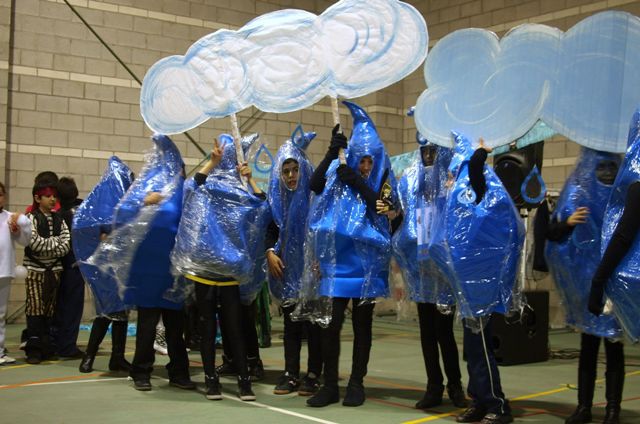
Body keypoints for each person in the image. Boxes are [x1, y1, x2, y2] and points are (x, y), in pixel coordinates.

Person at [304, 101, 395, 408]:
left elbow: (385, 208)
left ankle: (356, 383)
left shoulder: (383, 178)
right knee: (330, 326)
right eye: (362, 160)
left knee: (362, 326)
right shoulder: (339, 169)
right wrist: (331, 153)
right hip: (337, 262)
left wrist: (356, 181)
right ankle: (330, 384)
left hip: (368, 265)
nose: (366, 166)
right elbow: (314, 184)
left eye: (370, 161)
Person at [172, 134, 270, 401]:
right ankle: (213, 380)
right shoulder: (208, 186)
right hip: (209, 270)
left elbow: (263, 209)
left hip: (226, 271)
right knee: (210, 329)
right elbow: (188, 190)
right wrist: (212, 164)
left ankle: (241, 379)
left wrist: (249, 179)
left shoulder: (237, 189)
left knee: (231, 328)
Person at [543, 148, 624, 424]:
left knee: (614, 347)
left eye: (610, 168)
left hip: (613, 283)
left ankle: (613, 410)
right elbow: (552, 235)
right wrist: (567, 223)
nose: (606, 174)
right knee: (588, 347)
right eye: (601, 168)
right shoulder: (577, 193)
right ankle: (584, 407)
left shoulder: (624, 195)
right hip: (587, 287)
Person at [448, 137, 517, 424]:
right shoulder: (462, 198)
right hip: (468, 284)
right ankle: (478, 400)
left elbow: (476, 175)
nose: (450, 179)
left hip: (480, 285)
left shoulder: (476, 188)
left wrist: (478, 154)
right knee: (473, 349)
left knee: (481, 349)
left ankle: (497, 404)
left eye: (453, 173)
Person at [392, 144, 466, 409]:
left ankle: (455, 386)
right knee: (427, 333)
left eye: (432, 151)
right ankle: (434, 386)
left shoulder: (450, 181)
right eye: (424, 151)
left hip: (443, 273)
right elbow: (400, 219)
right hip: (420, 272)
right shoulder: (411, 182)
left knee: (444, 332)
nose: (428, 156)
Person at [265, 129, 322, 396]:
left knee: (314, 325)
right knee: (291, 325)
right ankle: (290, 373)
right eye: (285, 170)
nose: (290, 176)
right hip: (287, 271)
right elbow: (270, 228)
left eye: (295, 169)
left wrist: (321, 259)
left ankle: (313, 374)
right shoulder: (278, 201)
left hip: (312, 271)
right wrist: (270, 252)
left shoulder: (315, 199)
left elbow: (323, 231)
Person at [23, 179, 71, 364]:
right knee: (35, 307)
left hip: (55, 270)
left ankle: (46, 345)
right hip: (35, 271)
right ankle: (34, 349)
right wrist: (55, 243)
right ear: (37, 198)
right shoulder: (31, 218)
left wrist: (50, 245)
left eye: (54, 196)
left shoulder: (59, 219)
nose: (52, 199)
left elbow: (66, 245)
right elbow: (34, 243)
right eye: (48, 196)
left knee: (49, 309)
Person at [50, 177, 84, 358]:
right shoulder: (78, 212)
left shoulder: (57, 214)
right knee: (71, 308)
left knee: (60, 306)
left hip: (59, 265)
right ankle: (67, 346)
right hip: (73, 265)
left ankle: (57, 342)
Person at [0, 182, 31, 364]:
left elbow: (25, 241)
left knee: (0, 314)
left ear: (4, 197)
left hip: (3, 271)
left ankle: (0, 351)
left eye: (0, 194)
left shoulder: (10, 218)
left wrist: (20, 227)